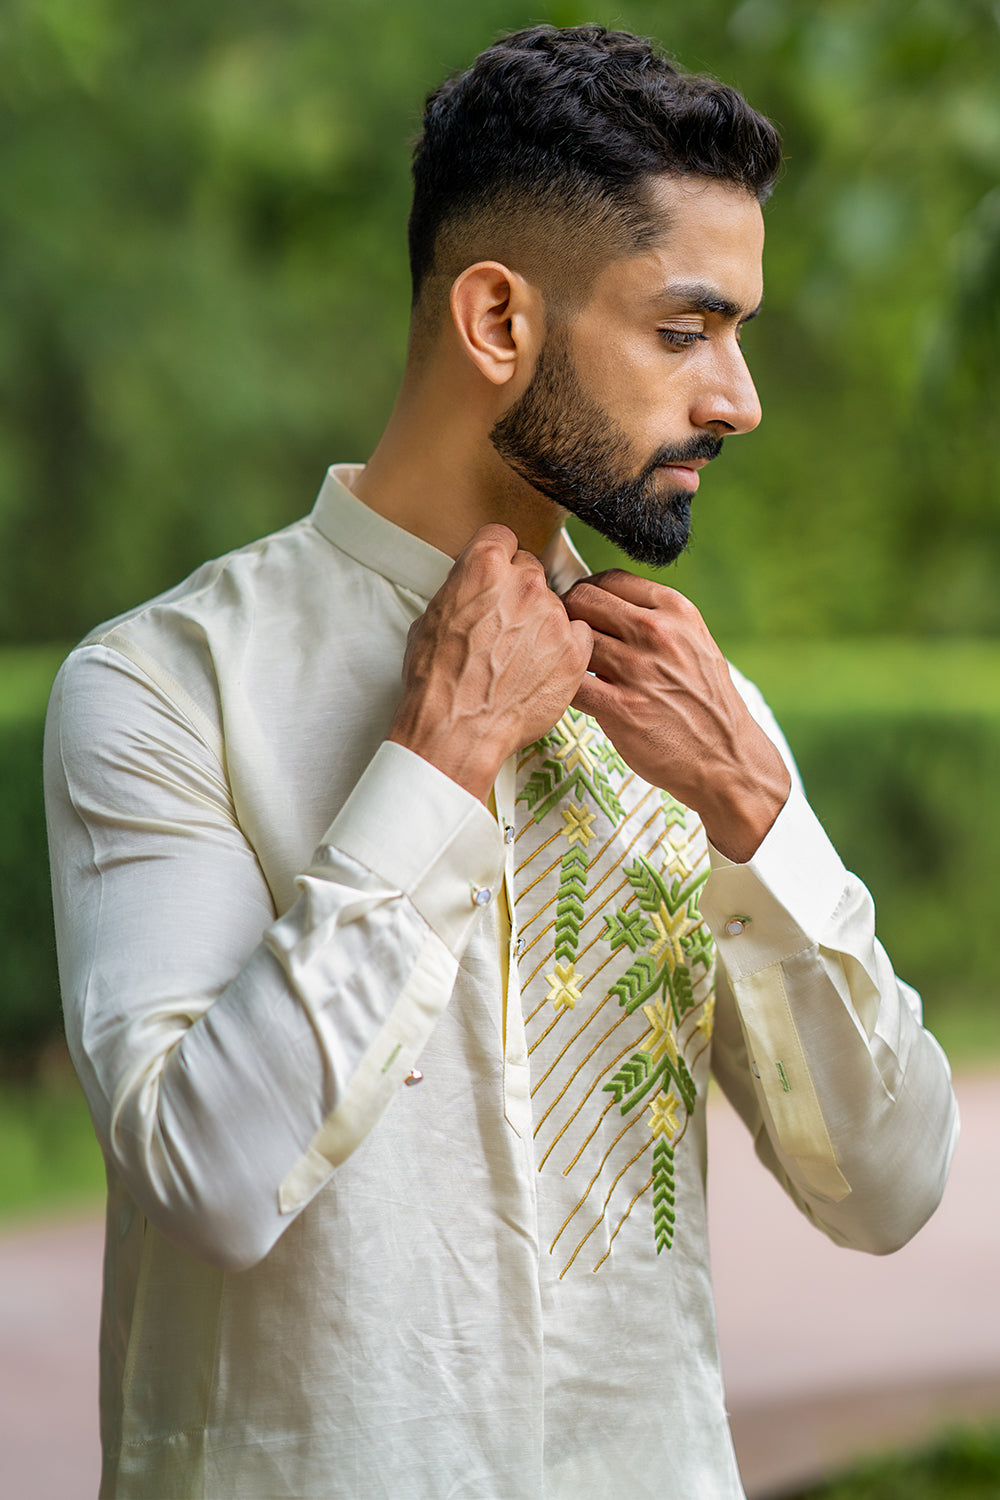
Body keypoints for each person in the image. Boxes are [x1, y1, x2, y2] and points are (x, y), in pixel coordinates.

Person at [44, 24, 958, 1500]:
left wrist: (760, 822)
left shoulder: (693, 712)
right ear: (495, 321)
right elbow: (207, 1179)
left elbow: (892, 1191)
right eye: (685, 331)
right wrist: (436, 760)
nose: (740, 399)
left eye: (738, 334)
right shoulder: (164, 686)